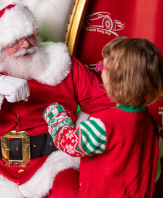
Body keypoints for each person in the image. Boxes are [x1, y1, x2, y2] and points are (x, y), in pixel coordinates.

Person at [0, 3, 114, 198]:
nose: (26, 44)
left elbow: (104, 103)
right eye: (16, 41)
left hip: (51, 162)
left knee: (71, 193)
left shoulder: (60, 63)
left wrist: (80, 136)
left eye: (30, 36)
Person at [43, 37, 163, 198]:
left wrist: (55, 115)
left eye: (103, 67)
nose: (100, 71)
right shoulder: (148, 121)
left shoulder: (104, 123)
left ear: (118, 80)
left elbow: (71, 143)